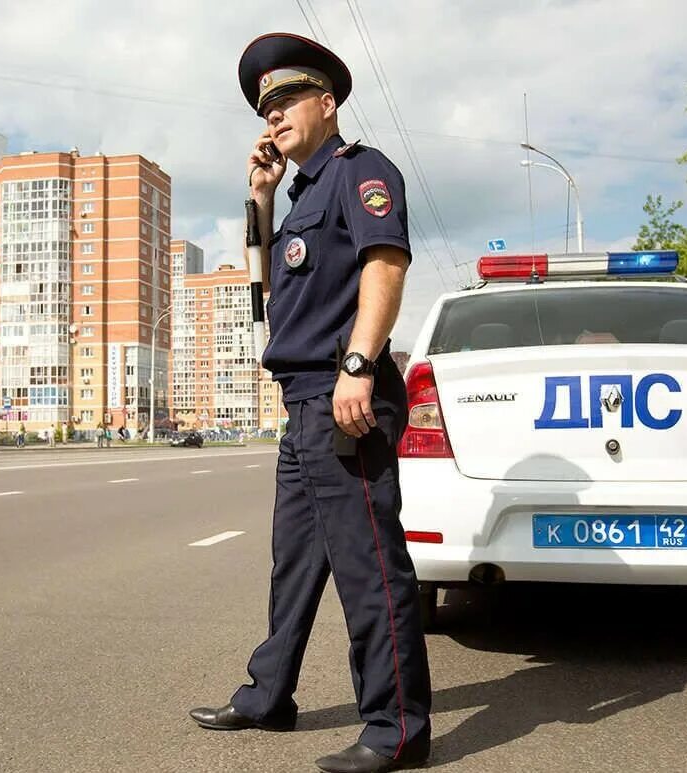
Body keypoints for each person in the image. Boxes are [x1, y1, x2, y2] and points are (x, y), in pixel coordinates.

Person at [188, 33, 432, 773]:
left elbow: (386, 263)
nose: (274, 117)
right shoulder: (298, 197)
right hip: (301, 402)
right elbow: (267, 294)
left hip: (343, 394)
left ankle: (396, 729)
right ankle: (269, 696)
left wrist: (360, 364)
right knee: (293, 561)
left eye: (288, 100)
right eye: (266, 109)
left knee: (370, 567)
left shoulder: (362, 172)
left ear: (327, 104)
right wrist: (259, 199)